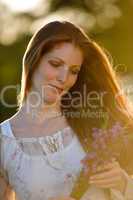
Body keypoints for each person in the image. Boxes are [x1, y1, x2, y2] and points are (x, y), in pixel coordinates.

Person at [0, 20, 133, 200]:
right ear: (33, 60)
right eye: (55, 64)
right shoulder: (4, 142)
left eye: (74, 71)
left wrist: (122, 183)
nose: (64, 78)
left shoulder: (96, 125)